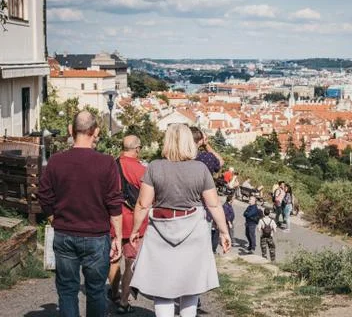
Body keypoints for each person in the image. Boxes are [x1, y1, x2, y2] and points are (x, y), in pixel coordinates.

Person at [129, 124, 231, 317]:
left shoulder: (155, 167)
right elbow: (214, 205)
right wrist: (224, 231)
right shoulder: (200, 169)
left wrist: (135, 230)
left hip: (160, 229)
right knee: (190, 286)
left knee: (162, 289)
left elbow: (143, 204)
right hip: (193, 229)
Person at [38, 111, 123, 317]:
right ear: (96, 132)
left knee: (67, 290)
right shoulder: (107, 162)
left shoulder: (56, 161)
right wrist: (118, 236)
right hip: (96, 235)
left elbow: (44, 195)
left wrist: (53, 218)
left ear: (71, 130)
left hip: (65, 232)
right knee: (95, 291)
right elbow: (114, 203)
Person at [108, 135, 148, 314]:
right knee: (130, 261)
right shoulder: (141, 170)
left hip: (114, 218)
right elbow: (147, 197)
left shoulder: (112, 165)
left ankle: (114, 293)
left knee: (114, 258)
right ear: (137, 148)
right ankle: (124, 302)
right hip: (134, 223)